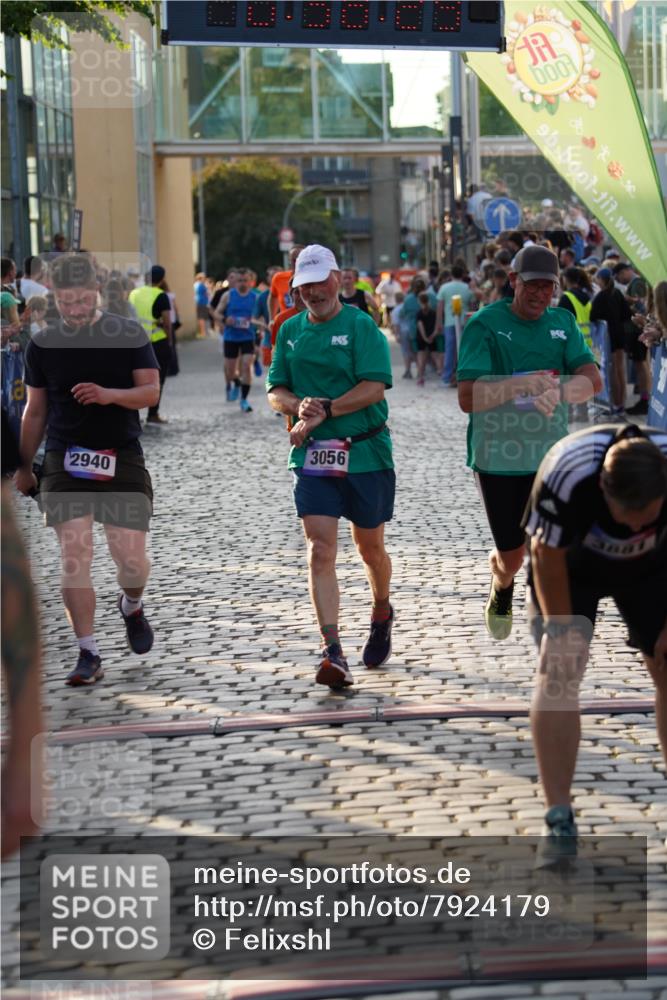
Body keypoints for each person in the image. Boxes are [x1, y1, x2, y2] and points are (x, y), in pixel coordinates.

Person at [14, 252, 160, 685]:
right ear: (54, 296)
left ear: (96, 292)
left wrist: (109, 395)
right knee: (75, 553)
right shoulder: (42, 344)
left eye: (81, 301)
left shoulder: (127, 333)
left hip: (121, 454)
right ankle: (88, 652)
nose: (74, 310)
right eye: (65, 302)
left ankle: (131, 605)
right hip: (64, 457)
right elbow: (34, 411)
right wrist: (23, 465)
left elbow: (150, 392)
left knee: (131, 560)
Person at [524, 424, 667, 856]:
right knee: (560, 670)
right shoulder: (569, 470)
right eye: (629, 517)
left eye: (648, 515)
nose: (637, 525)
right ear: (605, 492)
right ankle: (559, 816)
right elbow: (543, 555)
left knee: (665, 661)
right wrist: (562, 629)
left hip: (653, 566)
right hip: (572, 566)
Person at [266, 245, 395, 690]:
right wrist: (296, 406)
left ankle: (381, 609)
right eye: (305, 286)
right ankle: (332, 650)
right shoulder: (290, 331)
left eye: (320, 282)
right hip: (315, 456)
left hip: (365, 452)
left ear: (337, 280)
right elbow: (275, 389)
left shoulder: (361, 326)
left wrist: (328, 409)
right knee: (320, 550)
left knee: (369, 550)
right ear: (296, 289)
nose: (313, 293)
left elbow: (375, 387)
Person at [456, 245, 601, 641]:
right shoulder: (485, 325)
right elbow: (468, 396)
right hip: (497, 458)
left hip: (550, 456)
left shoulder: (562, 323)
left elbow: (591, 380)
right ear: (514, 281)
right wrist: (521, 384)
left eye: (548, 288)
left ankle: (550, 626)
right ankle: (501, 584)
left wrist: (558, 389)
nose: (541, 295)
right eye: (533, 286)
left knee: (549, 549)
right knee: (512, 556)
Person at [129, 266, 173, 425]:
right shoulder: (161, 295)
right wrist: (169, 340)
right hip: (156, 341)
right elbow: (167, 322)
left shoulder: (133, 293)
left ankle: (131, 415)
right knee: (157, 379)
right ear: (162, 279)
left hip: (133, 341)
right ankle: (153, 414)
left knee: (131, 379)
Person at [590, 267, 632, 416]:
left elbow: (592, 316)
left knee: (613, 371)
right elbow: (627, 314)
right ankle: (621, 404)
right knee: (620, 370)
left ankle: (615, 404)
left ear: (602, 280)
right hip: (620, 335)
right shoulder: (618, 293)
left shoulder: (601, 296)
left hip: (609, 338)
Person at [216, 267, 258, 412]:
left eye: (245, 280)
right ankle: (236, 382)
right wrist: (224, 319)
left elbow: (260, 317)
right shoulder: (228, 296)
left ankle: (244, 399)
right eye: (240, 280)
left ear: (250, 282)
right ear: (235, 282)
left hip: (248, 337)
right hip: (231, 337)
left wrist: (259, 326)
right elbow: (217, 313)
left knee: (247, 365)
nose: (242, 283)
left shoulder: (255, 297)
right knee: (230, 371)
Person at [436, 265, 474, 389]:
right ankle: (465, 374)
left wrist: (438, 323)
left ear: (451, 274)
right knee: (464, 350)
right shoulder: (467, 287)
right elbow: (472, 304)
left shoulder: (444, 288)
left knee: (449, 350)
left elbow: (440, 306)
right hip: (465, 322)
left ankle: (447, 376)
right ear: (462, 274)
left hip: (449, 322)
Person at [269, 246, 304, 320]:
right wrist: (271, 319)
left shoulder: (313, 279)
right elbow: (273, 296)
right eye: (293, 260)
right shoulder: (279, 278)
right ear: (289, 261)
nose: (296, 263)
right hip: (285, 323)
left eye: (299, 259)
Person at [415, 291, 442, 385]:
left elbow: (420, 326)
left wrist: (424, 337)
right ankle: (441, 373)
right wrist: (433, 335)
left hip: (422, 337)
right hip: (432, 336)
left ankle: (420, 377)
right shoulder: (433, 312)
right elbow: (437, 325)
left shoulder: (419, 313)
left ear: (419, 301)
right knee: (435, 355)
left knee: (421, 358)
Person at [193, 272, 210, 339]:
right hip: (201, 303)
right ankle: (203, 333)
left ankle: (202, 332)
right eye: (204, 278)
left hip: (200, 303)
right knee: (201, 318)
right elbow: (206, 294)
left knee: (201, 318)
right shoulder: (200, 285)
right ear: (200, 278)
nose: (205, 279)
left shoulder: (196, 285)